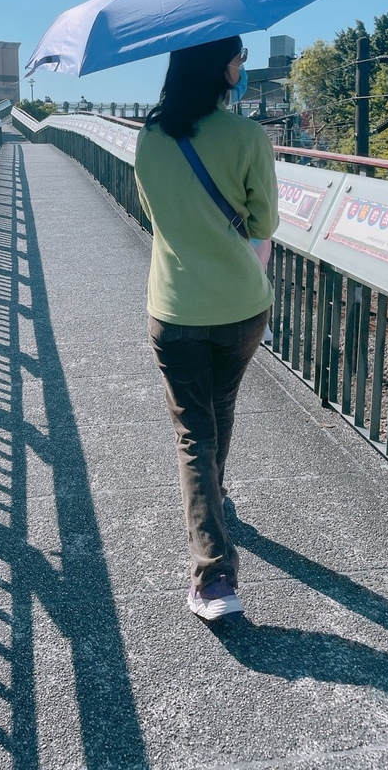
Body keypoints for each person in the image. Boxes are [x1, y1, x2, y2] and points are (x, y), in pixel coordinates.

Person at [134, 36, 279, 622]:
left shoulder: (147, 139)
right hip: (241, 306)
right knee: (218, 412)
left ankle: (214, 575)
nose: (242, 66)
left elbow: (158, 216)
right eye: (239, 57)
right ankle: (214, 559)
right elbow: (264, 221)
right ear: (222, 67)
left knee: (197, 431)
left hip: (175, 310)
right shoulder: (249, 137)